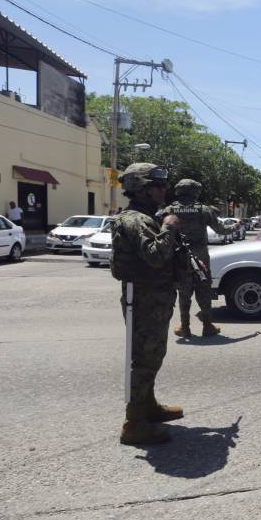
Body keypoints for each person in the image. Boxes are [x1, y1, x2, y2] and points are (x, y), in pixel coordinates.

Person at [109, 163, 183, 446]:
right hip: (144, 300)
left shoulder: (146, 216)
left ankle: (148, 407)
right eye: (157, 185)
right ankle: (134, 423)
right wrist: (168, 228)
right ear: (140, 188)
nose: (163, 190)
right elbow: (155, 255)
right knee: (143, 360)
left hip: (154, 299)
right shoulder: (135, 220)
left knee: (153, 356)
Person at [157, 179, 235, 338]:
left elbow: (160, 230)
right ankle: (207, 326)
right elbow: (221, 230)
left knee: (183, 293)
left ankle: (184, 327)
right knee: (203, 291)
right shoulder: (204, 210)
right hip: (200, 258)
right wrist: (236, 226)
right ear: (195, 192)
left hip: (179, 257)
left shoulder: (170, 210)